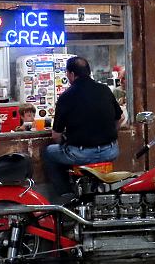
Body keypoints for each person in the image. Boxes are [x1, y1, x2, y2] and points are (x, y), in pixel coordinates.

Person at [43, 57, 123, 201]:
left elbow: (56, 135)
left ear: (72, 74)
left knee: (49, 152)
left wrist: (64, 143)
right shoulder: (104, 90)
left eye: (67, 73)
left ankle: (65, 194)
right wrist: (109, 135)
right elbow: (120, 119)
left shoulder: (66, 96)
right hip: (110, 151)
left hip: (81, 154)